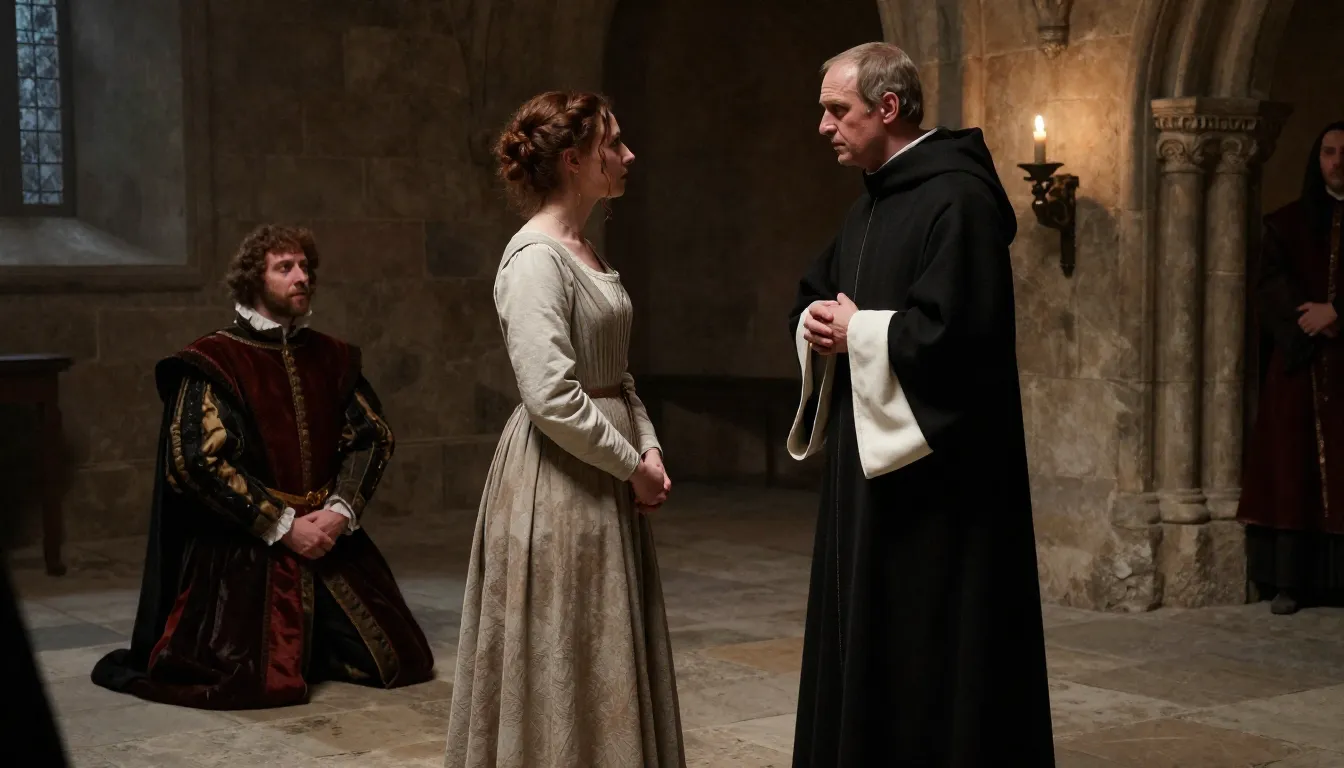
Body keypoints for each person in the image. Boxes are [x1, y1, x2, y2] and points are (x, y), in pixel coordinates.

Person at [786, 43, 1055, 766]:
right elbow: (817, 293)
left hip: (938, 490)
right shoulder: (869, 205)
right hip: (868, 478)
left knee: (926, 648)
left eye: (836, 110)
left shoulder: (958, 201)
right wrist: (817, 322)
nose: (823, 126)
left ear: (888, 107)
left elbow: (961, 339)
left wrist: (859, 331)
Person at [90, 224, 434, 710]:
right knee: (259, 680)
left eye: (305, 267)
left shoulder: (331, 357)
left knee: (402, 659)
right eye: (284, 268)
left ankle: (313, 645)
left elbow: (372, 436)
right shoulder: (215, 359)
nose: (301, 277)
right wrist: (284, 526)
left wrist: (339, 512)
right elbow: (195, 462)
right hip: (246, 547)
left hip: (327, 534)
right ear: (254, 279)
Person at [443, 91, 684, 768]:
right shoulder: (535, 259)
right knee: (563, 642)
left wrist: (649, 447)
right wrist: (631, 464)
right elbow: (550, 395)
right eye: (614, 143)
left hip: (606, 469)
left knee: (602, 637)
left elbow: (615, 374)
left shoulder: (585, 250)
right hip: (559, 479)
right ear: (575, 161)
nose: (628, 155)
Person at [1239, 120, 1344, 615]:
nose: (1338, 161)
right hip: (1299, 365)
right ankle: (1288, 580)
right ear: (1316, 159)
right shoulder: (1287, 223)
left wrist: (1337, 314)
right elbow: (1269, 286)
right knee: (1291, 466)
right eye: (1329, 152)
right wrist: (1308, 321)